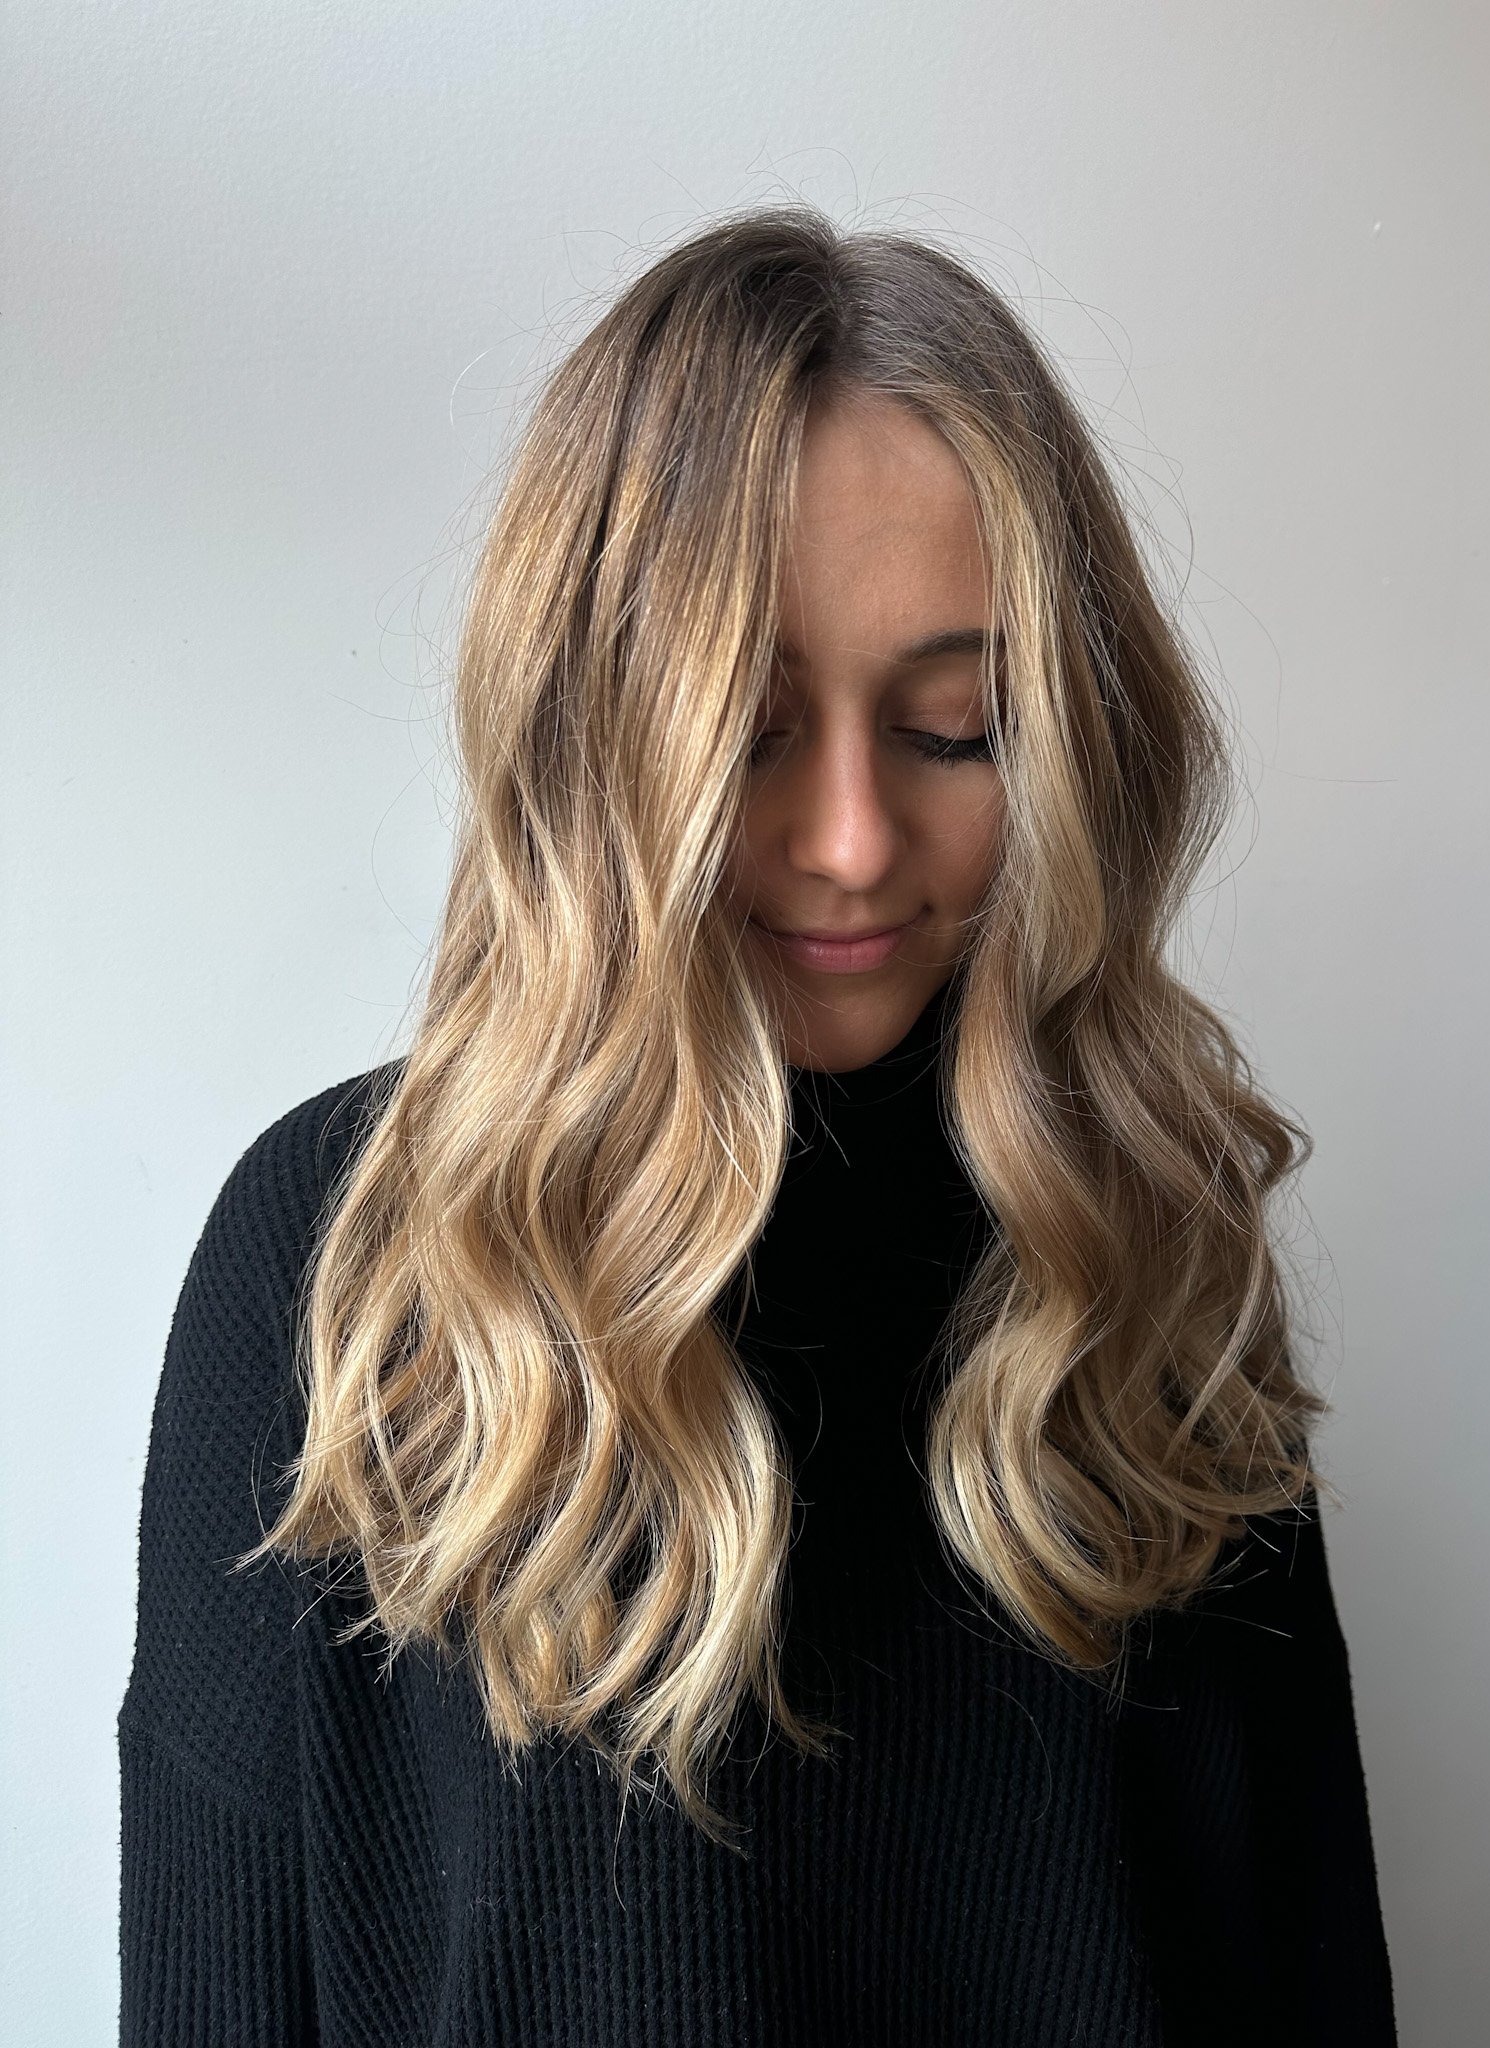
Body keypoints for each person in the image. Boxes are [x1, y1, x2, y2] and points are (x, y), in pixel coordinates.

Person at [118, 205, 1397, 2046]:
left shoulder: (1145, 1247)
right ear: (597, 737)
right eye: (755, 732)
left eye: (955, 727)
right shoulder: (342, 1259)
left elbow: (1305, 1969)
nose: (857, 841)